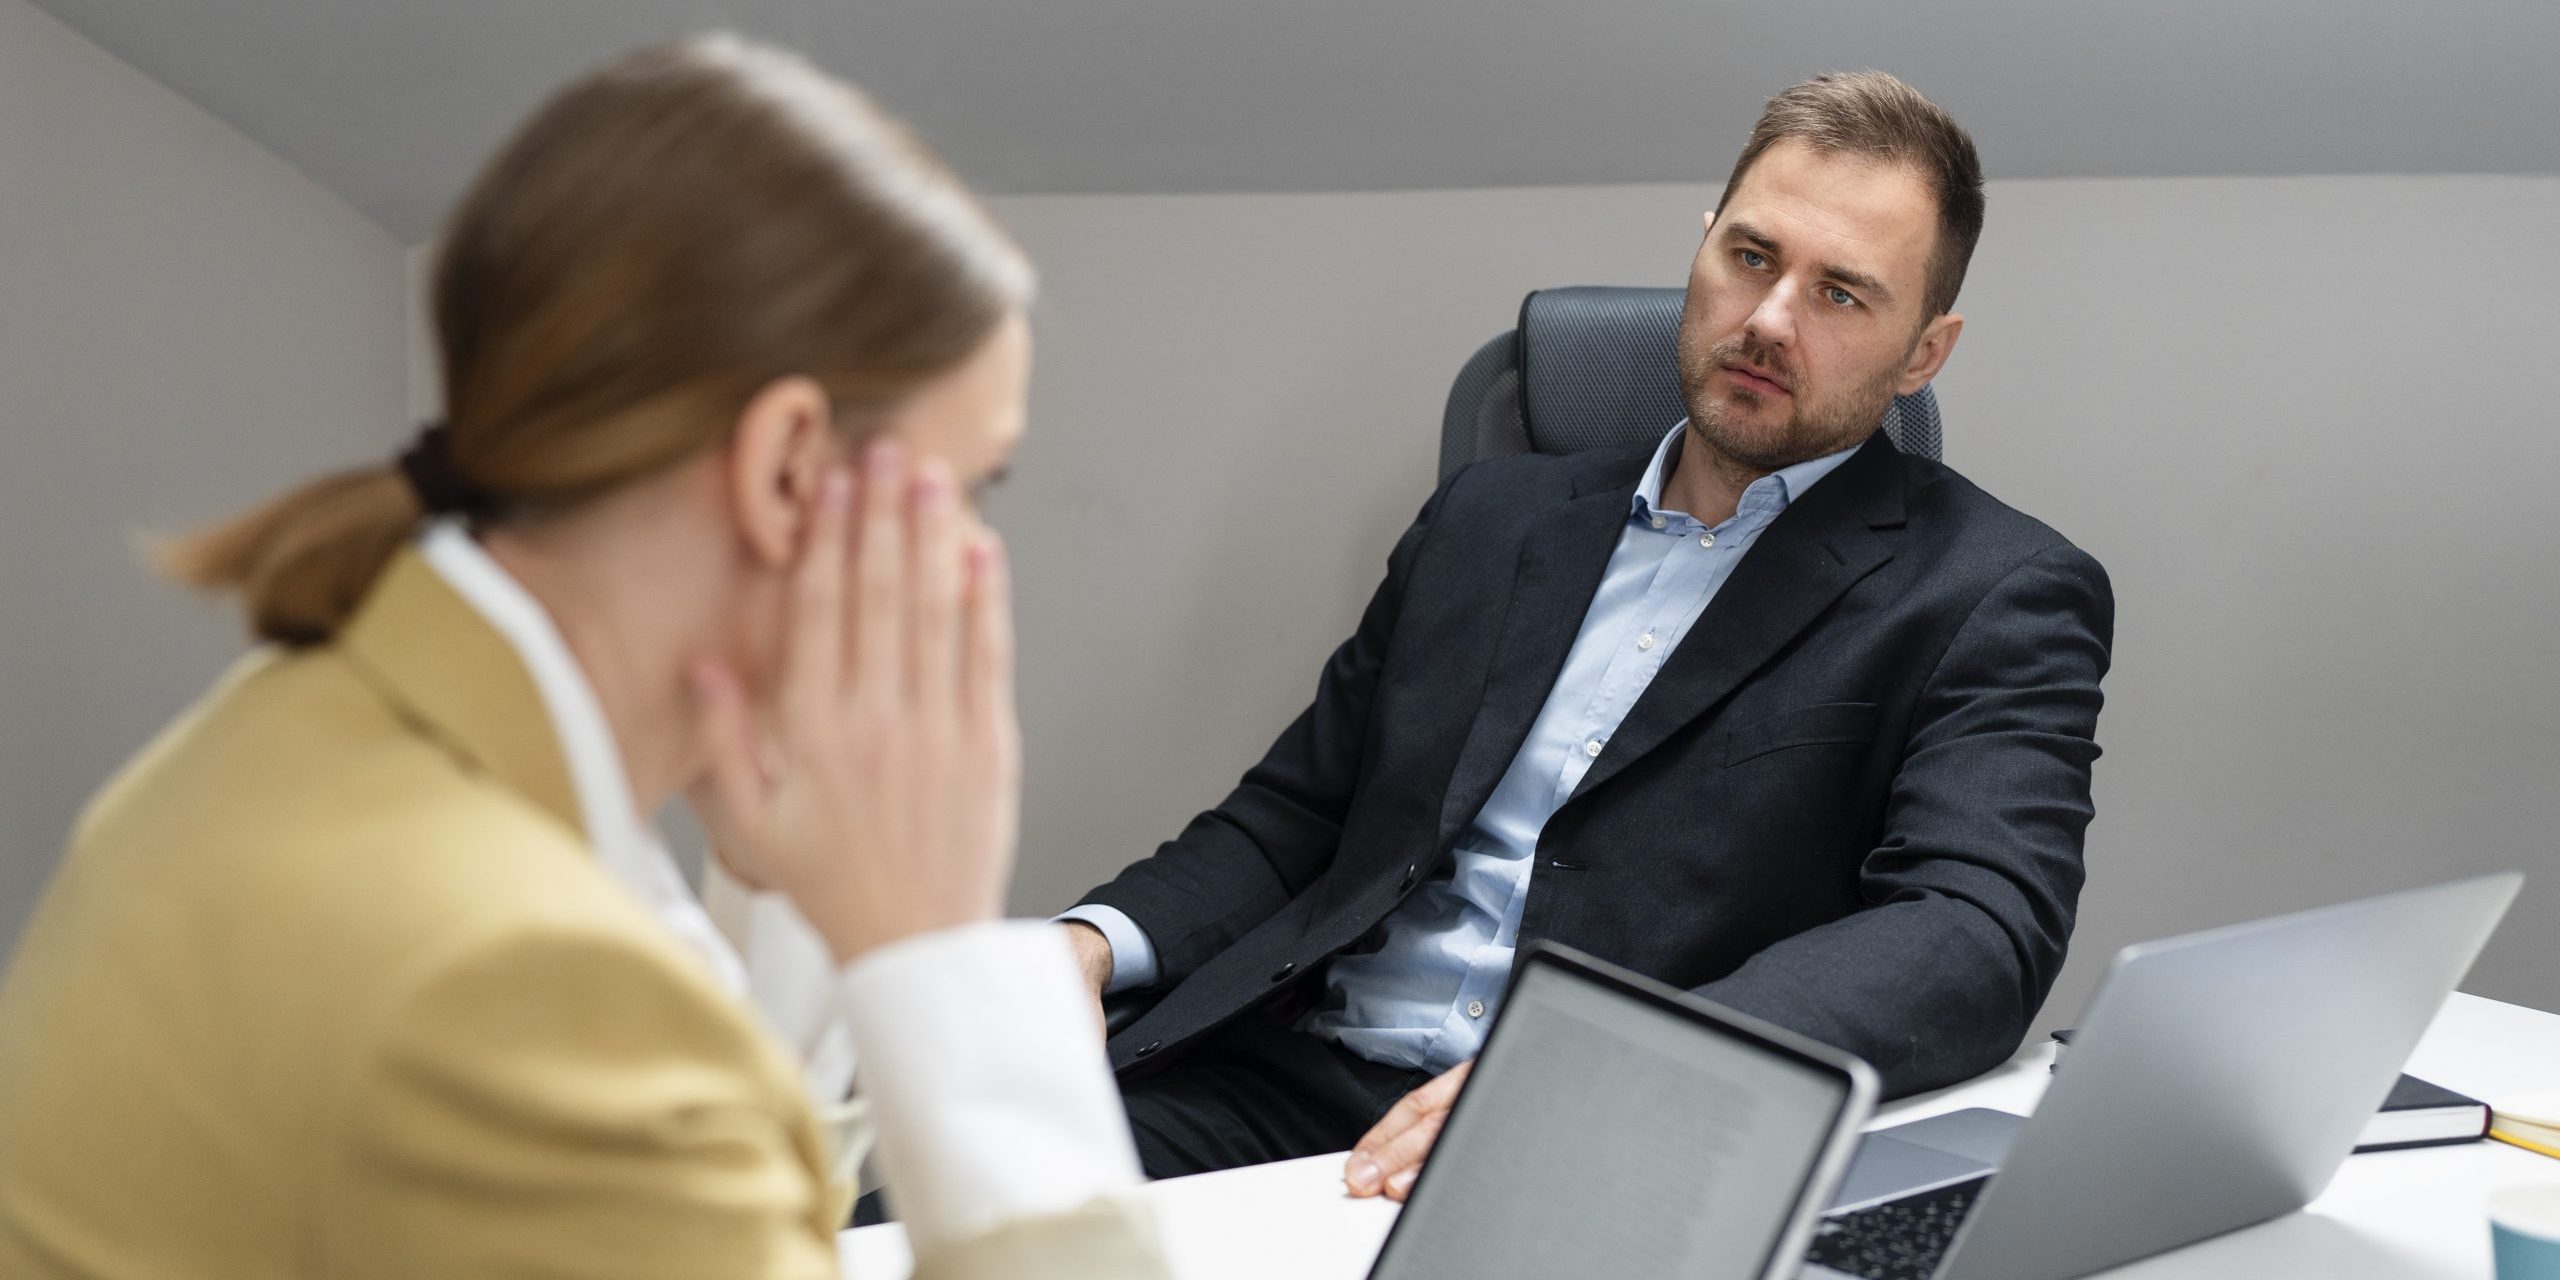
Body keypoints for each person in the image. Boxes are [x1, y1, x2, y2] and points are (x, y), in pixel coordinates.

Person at [0, 34, 1165, 1280]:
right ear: (785, 468)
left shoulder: (314, 720)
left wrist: (802, 901)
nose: (975, 560)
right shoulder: (516, 971)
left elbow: (700, 1209)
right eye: (970, 488)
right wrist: (937, 956)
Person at [1059, 70, 2115, 1197]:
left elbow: (1970, 928)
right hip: (1281, 1083)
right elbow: (1298, 816)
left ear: (1923, 353)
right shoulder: (1489, 515)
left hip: (1602, 1138)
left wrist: (1598, 1070)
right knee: (915, 1218)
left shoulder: (1996, 591)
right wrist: (1087, 943)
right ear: (1703, 245)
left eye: (1841, 294)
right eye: (1750, 257)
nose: (1765, 321)